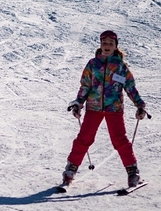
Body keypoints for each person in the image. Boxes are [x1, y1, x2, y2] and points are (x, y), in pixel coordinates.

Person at [59, 30, 147, 191]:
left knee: (120, 140)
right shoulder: (93, 64)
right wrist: (79, 102)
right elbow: (85, 85)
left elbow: (130, 87)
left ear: (115, 46)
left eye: (110, 44)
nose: (107, 46)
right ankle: (70, 171)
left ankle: (133, 172)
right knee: (84, 138)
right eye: (104, 43)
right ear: (100, 45)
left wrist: (139, 105)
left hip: (114, 109)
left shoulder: (120, 67)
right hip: (94, 108)